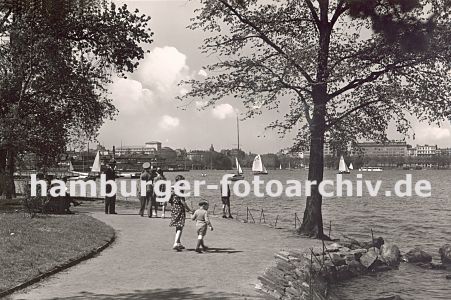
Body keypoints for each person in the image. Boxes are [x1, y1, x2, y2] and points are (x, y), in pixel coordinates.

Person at [169, 175, 192, 251]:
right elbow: (182, 201)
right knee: (180, 225)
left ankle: (178, 242)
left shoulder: (172, 189)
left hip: (174, 208)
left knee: (178, 226)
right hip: (179, 208)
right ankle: (175, 243)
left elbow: (169, 200)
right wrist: (189, 209)